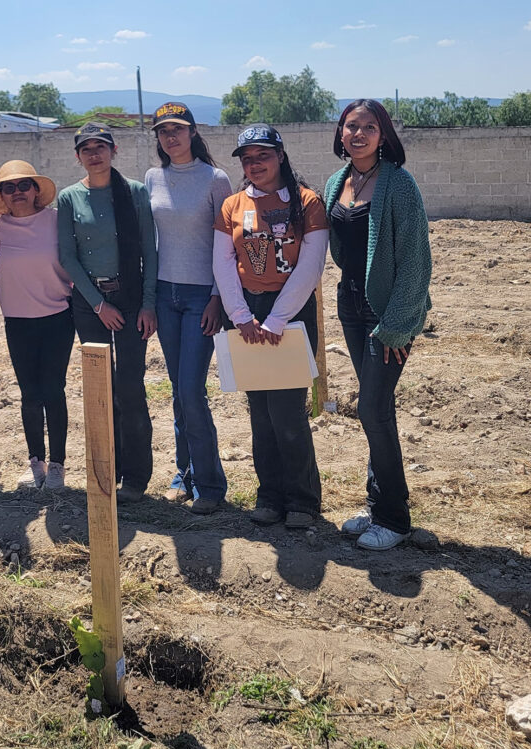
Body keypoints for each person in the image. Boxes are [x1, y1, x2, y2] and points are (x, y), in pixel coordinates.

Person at [325, 99, 433, 551]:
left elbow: (416, 260)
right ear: (341, 133)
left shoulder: (399, 184)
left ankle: (395, 517)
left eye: (370, 127)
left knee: (371, 408)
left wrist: (397, 325)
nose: (360, 133)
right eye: (352, 126)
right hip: (350, 307)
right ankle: (377, 505)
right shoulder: (337, 182)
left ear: (384, 135)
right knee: (376, 411)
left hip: (387, 313)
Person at [213, 124, 329, 528]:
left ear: (280, 156)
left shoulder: (308, 202)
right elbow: (224, 263)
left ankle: (302, 501)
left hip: (291, 312)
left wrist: (279, 318)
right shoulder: (231, 206)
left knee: (287, 412)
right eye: (247, 159)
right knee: (259, 412)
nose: (254, 165)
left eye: (262, 155)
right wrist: (241, 316)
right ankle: (269, 495)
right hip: (246, 312)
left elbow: (311, 266)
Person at [57, 123, 158, 503]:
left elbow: (150, 250)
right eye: (87, 148)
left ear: (114, 151)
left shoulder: (133, 192)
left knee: (130, 386)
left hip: (131, 297)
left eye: (101, 146)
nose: (94, 154)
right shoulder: (69, 198)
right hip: (89, 303)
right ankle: (105, 470)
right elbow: (67, 256)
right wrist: (98, 304)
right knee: (100, 390)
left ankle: (135, 477)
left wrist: (148, 303)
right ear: (78, 156)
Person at [145, 102, 232, 515]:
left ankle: (211, 484)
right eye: (163, 131)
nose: (171, 136)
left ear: (193, 132)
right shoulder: (152, 178)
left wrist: (217, 296)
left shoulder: (216, 179)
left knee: (193, 391)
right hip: (165, 295)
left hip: (201, 297)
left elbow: (227, 242)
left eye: (178, 129)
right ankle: (184, 473)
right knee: (179, 392)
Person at [0, 161, 73, 490]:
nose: (17, 192)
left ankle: (58, 465)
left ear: (35, 190)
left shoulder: (58, 221)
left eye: (23, 186)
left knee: (53, 391)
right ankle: (36, 464)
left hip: (58, 317)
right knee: (29, 395)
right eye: (9, 187)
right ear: (2, 195)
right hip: (17, 322)